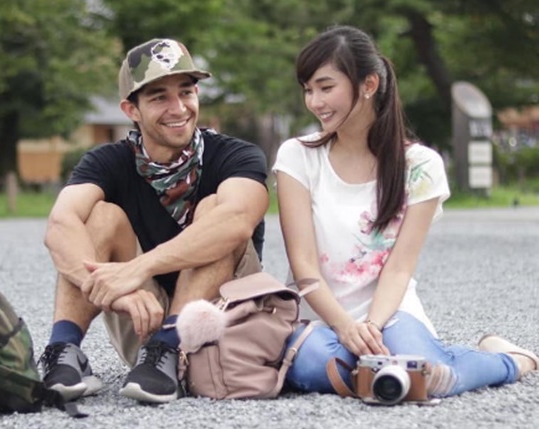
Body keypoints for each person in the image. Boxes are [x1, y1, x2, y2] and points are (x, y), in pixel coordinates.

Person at [273, 25, 538, 398]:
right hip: (319, 317)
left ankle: (513, 360)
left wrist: (372, 327)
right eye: (308, 90)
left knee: (426, 372)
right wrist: (346, 327)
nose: (315, 102)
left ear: (368, 85)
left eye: (326, 87)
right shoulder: (297, 156)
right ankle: (391, 374)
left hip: (391, 312)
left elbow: (399, 269)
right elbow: (303, 265)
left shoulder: (421, 166)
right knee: (315, 364)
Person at [39, 38, 269, 404]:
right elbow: (60, 224)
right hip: (144, 325)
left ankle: (169, 345)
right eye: (160, 97)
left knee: (215, 211)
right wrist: (117, 291)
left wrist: (139, 268)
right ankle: (63, 349)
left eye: (186, 92)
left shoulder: (237, 155)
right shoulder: (107, 161)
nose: (178, 108)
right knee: (98, 217)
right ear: (131, 109)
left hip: (224, 325)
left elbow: (237, 220)